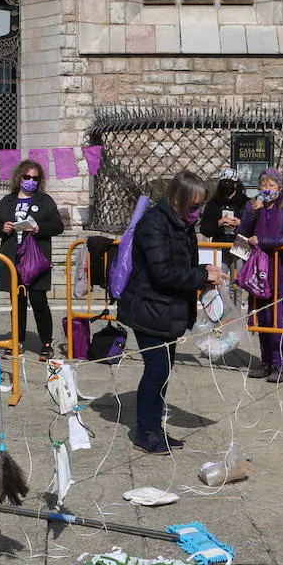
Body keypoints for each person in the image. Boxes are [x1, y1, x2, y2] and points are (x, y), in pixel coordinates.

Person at [116, 171, 222, 455]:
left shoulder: (181, 224)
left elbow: (184, 266)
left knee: (163, 372)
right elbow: (163, 272)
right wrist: (201, 275)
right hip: (149, 308)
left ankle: (155, 428)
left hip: (168, 310)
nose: (197, 212)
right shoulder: (154, 224)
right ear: (177, 199)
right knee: (156, 370)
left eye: (200, 206)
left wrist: (204, 278)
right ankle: (145, 432)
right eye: (194, 206)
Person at [0, 159, 63, 359]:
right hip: (13, 260)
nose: (31, 181)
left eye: (35, 178)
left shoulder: (45, 201)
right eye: (27, 177)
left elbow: (58, 226)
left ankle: (46, 343)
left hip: (35, 260)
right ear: (19, 177)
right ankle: (17, 341)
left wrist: (39, 228)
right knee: (18, 303)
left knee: (39, 302)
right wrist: (1, 228)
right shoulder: (7, 201)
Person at [238, 167, 283, 383]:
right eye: (263, 186)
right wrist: (251, 213)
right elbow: (243, 234)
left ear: (280, 188)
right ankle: (265, 362)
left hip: (278, 270)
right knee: (261, 316)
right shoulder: (253, 206)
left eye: (271, 186)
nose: (267, 190)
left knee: (275, 318)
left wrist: (263, 241)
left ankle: (278, 364)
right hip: (258, 270)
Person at [199, 166, 250, 277]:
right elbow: (204, 229)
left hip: (240, 244)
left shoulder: (245, 203)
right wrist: (219, 223)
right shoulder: (213, 204)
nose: (227, 185)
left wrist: (240, 223)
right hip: (219, 245)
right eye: (224, 182)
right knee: (219, 280)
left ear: (236, 184)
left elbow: (253, 226)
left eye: (230, 182)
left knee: (237, 284)